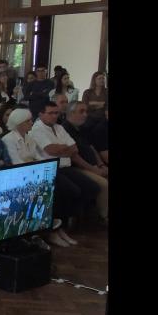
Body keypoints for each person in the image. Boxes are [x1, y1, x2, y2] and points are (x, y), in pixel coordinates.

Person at [29, 102, 101, 246]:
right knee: (71, 190)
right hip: (50, 169)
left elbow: (74, 148)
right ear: (41, 114)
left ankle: (68, 222)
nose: (55, 116)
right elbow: (51, 150)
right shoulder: (37, 129)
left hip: (65, 167)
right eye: (51, 113)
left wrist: (62, 149)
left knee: (92, 187)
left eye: (57, 113)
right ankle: (56, 229)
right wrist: (64, 148)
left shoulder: (59, 127)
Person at [63, 101, 108, 224]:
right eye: (81, 111)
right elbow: (75, 157)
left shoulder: (82, 128)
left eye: (86, 111)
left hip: (93, 165)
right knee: (104, 184)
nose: (85, 115)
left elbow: (92, 148)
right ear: (71, 113)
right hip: (79, 167)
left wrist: (101, 164)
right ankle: (103, 217)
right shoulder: (65, 129)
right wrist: (94, 170)